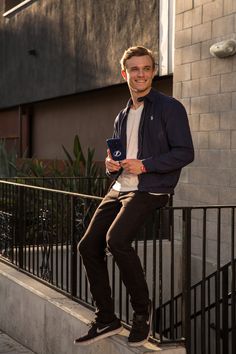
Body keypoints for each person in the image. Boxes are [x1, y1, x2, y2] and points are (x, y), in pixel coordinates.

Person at [74, 46, 194, 347]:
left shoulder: (170, 107)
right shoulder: (123, 114)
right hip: (120, 187)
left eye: (146, 68)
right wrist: (110, 165)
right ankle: (107, 318)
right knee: (88, 245)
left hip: (150, 188)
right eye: (134, 69)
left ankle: (142, 314)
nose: (141, 74)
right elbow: (121, 154)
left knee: (116, 240)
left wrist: (146, 165)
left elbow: (185, 152)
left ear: (153, 71)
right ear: (124, 73)